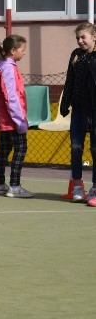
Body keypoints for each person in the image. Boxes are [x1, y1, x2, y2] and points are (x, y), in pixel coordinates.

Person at [0, 34, 34, 198]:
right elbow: (11, 96)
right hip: (12, 119)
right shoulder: (7, 68)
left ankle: (0, 184)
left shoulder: (2, 67)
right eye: (22, 50)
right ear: (13, 50)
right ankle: (14, 185)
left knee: (4, 151)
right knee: (20, 149)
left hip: (3, 119)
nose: (24, 53)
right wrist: (19, 120)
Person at [59, 22, 96, 204]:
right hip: (79, 109)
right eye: (78, 38)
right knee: (76, 147)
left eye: (84, 37)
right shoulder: (76, 55)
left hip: (94, 110)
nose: (80, 41)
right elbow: (70, 81)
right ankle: (77, 186)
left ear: (94, 37)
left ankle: (95, 189)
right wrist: (65, 105)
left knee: (95, 149)